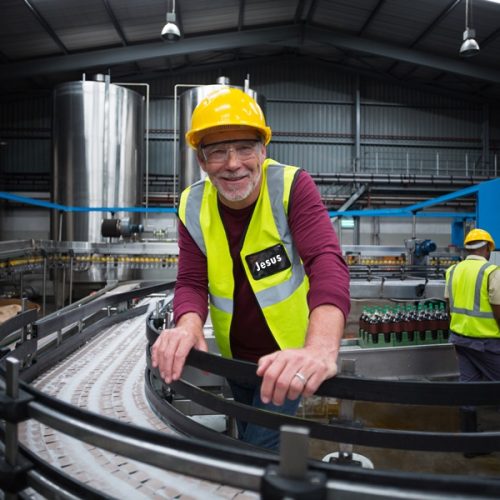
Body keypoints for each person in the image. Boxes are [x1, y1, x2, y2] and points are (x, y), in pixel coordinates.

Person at [151, 86, 350, 451]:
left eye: (244, 148)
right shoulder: (192, 205)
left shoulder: (291, 186)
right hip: (236, 360)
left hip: (286, 358)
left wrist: (320, 348)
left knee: (259, 453)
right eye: (217, 151)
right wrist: (187, 325)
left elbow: (326, 261)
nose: (232, 163)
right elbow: (192, 281)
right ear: (200, 159)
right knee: (246, 441)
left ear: (263, 150)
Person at [445, 228, 500, 440]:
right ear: (486, 248)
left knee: (468, 390)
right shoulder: (491, 271)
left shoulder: (453, 271)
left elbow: (449, 306)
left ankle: (470, 442)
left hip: (460, 339)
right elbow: (497, 309)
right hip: (487, 342)